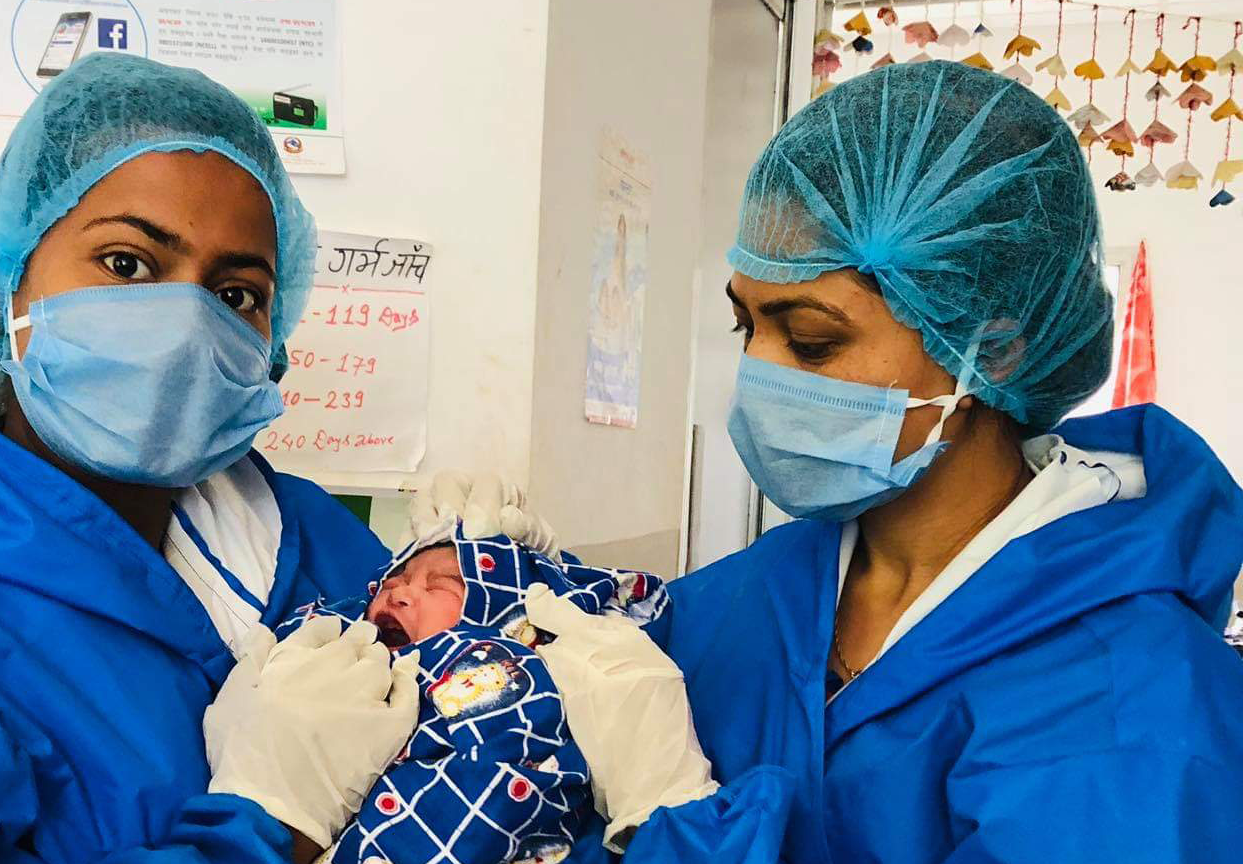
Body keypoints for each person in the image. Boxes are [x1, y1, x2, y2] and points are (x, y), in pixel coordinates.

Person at [0, 53, 547, 864]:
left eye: (236, 295)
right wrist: (266, 828)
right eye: (126, 263)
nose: (183, 324)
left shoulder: (318, 545)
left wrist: (512, 597)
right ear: (7, 286)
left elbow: (506, 741)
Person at [523, 61, 1243, 862]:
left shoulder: (1133, 708)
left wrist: (673, 835)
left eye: (812, 340)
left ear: (992, 353)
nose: (760, 375)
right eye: (746, 328)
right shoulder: (754, 597)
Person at [258, 523, 668, 864]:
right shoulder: (355, 665)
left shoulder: (490, 664)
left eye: (439, 588)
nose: (398, 593)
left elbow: (499, 782)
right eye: (393, 583)